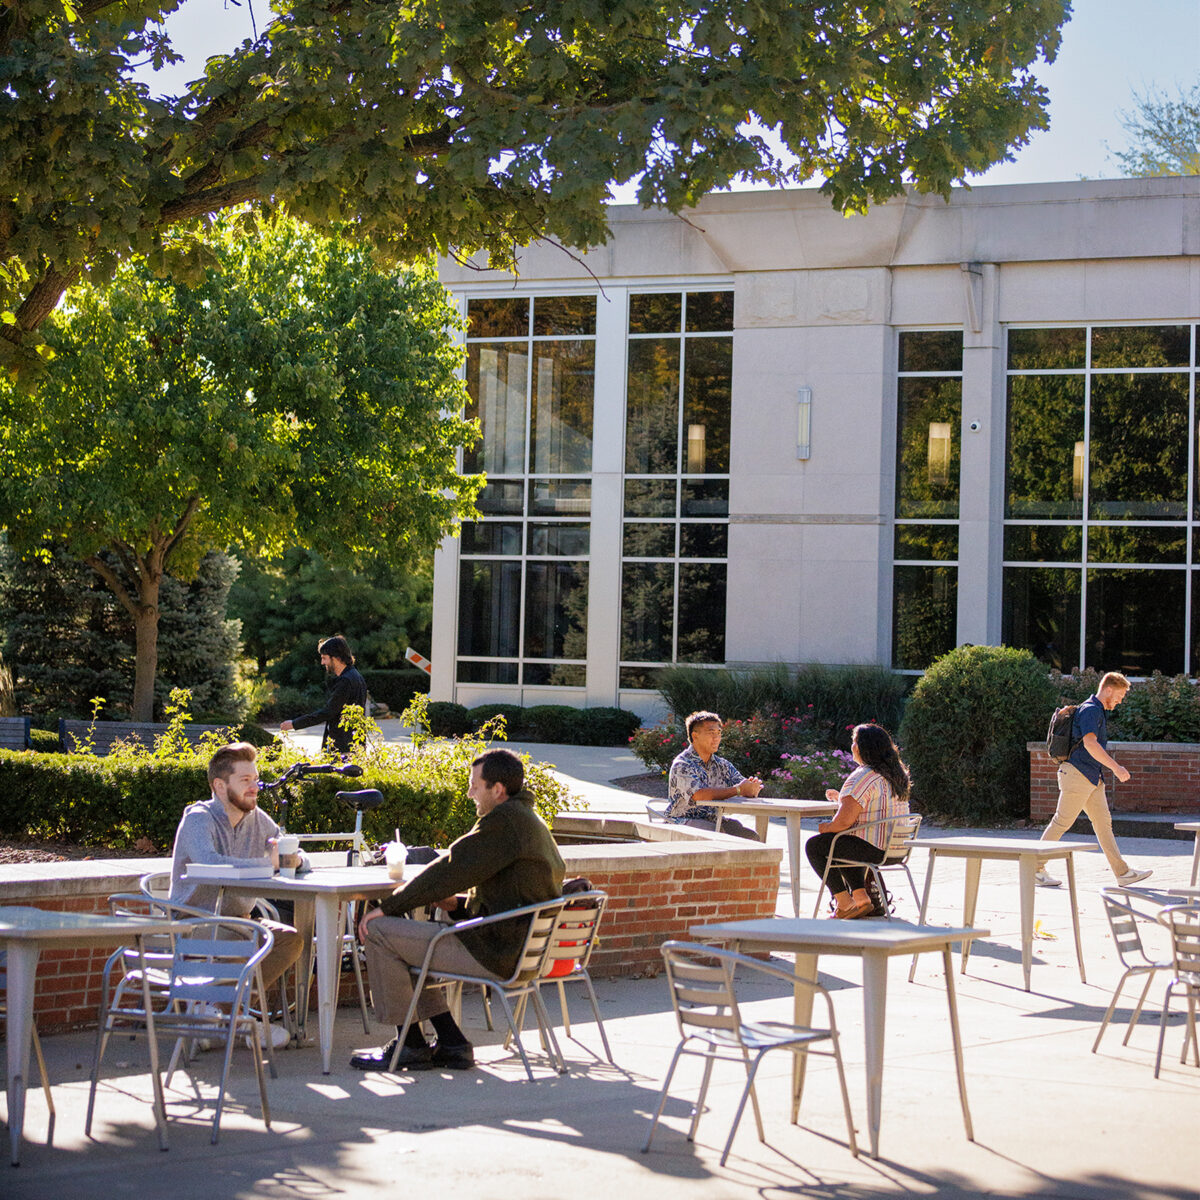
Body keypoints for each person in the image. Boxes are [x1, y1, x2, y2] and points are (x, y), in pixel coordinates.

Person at [351, 747, 565, 1072]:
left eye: (474, 786)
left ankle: (408, 1045)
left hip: (496, 953)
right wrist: (458, 904)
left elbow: (451, 867)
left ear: (497, 789)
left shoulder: (504, 821)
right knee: (404, 944)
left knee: (379, 931)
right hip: (518, 951)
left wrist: (389, 907)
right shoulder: (529, 820)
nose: (469, 793)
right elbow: (513, 896)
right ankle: (452, 1042)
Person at [169, 742, 306, 1047]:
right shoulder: (198, 818)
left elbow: (293, 853)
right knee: (249, 938)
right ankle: (231, 1018)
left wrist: (292, 859)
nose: (254, 788)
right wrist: (268, 863)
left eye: (255, 780)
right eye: (245, 781)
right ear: (220, 785)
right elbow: (211, 863)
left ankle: (222, 1012)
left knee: (288, 940)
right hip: (193, 922)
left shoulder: (258, 819)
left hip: (240, 921)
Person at [1036, 671, 1152, 888]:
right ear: (1108, 689)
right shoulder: (1091, 710)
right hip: (1078, 775)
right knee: (1062, 822)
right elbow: (1090, 744)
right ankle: (1034, 868)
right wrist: (1116, 767)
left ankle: (1123, 873)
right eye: (1119, 695)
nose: (1119, 701)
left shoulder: (1095, 710)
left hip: (1090, 777)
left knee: (1103, 824)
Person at [805, 723, 911, 919]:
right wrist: (841, 799)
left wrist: (826, 827)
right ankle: (861, 899)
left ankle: (845, 903)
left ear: (863, 747)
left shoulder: (862, 776)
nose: (852, 746)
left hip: (874, 849)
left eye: (854, 742)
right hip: (897, 850)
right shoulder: (897, 776)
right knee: (844, 840)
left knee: (818, 844)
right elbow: (875, 806)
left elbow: (842, 822)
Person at [665, 710, 762, 839]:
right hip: (682, 822)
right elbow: (699, 795)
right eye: (711, 733)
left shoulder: (722, 764)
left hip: (713, 821)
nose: (716, 738)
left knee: (750, 837)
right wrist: (738, 790)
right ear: (695, 736)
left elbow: (742, 784)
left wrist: (751, 787)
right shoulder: (682, 764)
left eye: (719, 733)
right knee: (721, 835)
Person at [280, 635, 368, 754]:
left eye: (324, 658)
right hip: (353, 744)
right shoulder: (355, 676)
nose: (322, 662)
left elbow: (328, 712)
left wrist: (294, 724)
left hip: (343, 747)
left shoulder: (346, 681)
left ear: (336, 657)